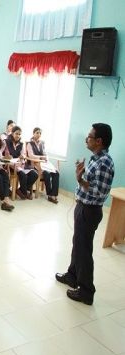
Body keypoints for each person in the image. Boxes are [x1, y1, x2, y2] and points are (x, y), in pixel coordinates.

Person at [56, 123, 114, 305]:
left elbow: (99, 191)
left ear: (99, 141)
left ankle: (87, 291)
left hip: (90, 211)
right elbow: (91, 182)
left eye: (89, 136)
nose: (86, 139)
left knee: (84, 249)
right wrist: (81, 173)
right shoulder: (95, 158)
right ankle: (72, 276)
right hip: (83, 207)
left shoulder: (104, 162)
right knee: (78, 244)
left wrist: (80, 179)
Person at [26, 127, 60, 203]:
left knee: (56, 173)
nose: (39, 134)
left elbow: (45, 153)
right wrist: (41, 157)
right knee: (46, 174)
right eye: (37, 133)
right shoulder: (29, 144)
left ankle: (54, 194)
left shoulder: (42, 143)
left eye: (40, 133)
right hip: (35, 164)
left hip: (44, 164)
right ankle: (49, 195)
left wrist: (46, 157)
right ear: (33, 133)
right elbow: (31, 155)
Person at [4, 126, 38, 200]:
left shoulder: (21, 144)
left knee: (35, 174)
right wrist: (11, 158)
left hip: (20, 165)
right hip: (10, 165)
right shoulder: (6, 142)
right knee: (23, 175)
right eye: (16, 134)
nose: (18, 136)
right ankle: (24, 192)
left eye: (19, 134)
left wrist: (22, 158)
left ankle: (21, 190)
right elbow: (5, 155)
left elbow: (23, 155)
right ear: (12, 133)